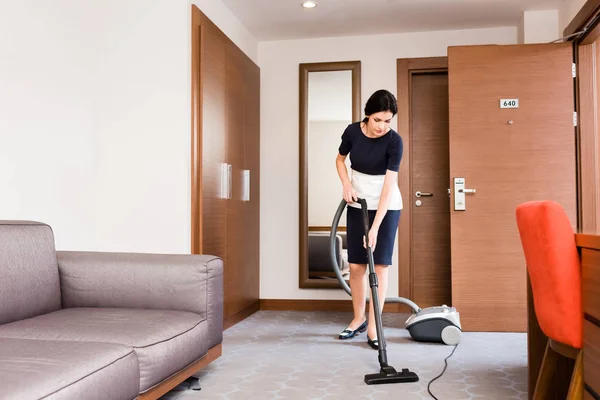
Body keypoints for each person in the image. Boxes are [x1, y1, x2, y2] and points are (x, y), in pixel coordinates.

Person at [335, 89, 403, 350]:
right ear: (367, 115)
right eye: (378, 120)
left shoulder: (394, 142)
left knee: (380, 266)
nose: (382, 127)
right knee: (356, 266)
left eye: (387, 121)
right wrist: (345, 185)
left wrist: (374, 228)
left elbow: (388, 189)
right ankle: (358, 318)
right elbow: (340, 161)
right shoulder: (352, 132)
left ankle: (374, 326)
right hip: (357, 204)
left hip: (386, 207)